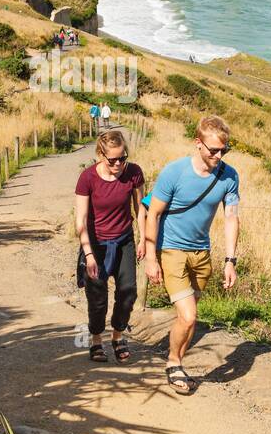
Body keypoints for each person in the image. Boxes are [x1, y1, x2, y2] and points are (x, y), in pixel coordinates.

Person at [144, 115, 240, 395]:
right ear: (198, 144)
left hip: (202, 254)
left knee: (190, 318)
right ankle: (173, 363)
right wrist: (151, 256)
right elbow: (154, 214)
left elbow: (232, 217)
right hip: (172, 250)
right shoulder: (174, 173)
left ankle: (178, 363)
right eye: (213, 150)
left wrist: (230, 260)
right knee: (188, 315)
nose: (218, 156)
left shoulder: (229, 176)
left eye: (224, 150)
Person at [75, 131, 145, 364]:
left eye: (122, 158)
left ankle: (117, 336)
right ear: (100, 155)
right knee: (98, 298)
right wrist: (88, 254)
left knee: (128, 292)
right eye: (112, 160)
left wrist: (144, 238)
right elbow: (81, 221)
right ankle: (96, 339)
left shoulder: (134, 173)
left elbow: (140, 209)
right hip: (96, 244)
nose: (117, 164)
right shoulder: (87, 178)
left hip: (124, 240)